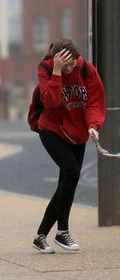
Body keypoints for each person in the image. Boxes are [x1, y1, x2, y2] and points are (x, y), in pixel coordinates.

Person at [32, 38, 105, 254]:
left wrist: (93, 125)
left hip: (78, 133)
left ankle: (40, 236)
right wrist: (56, 72)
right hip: (51, 130)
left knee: (68, 182)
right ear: (57, 60)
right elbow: (51, 102)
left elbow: (94, 101)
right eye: (67, 65)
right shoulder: (45, 69)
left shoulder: (86, 69)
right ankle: (62, 231)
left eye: (73, 64)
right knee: (72, 172)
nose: (71, 68)